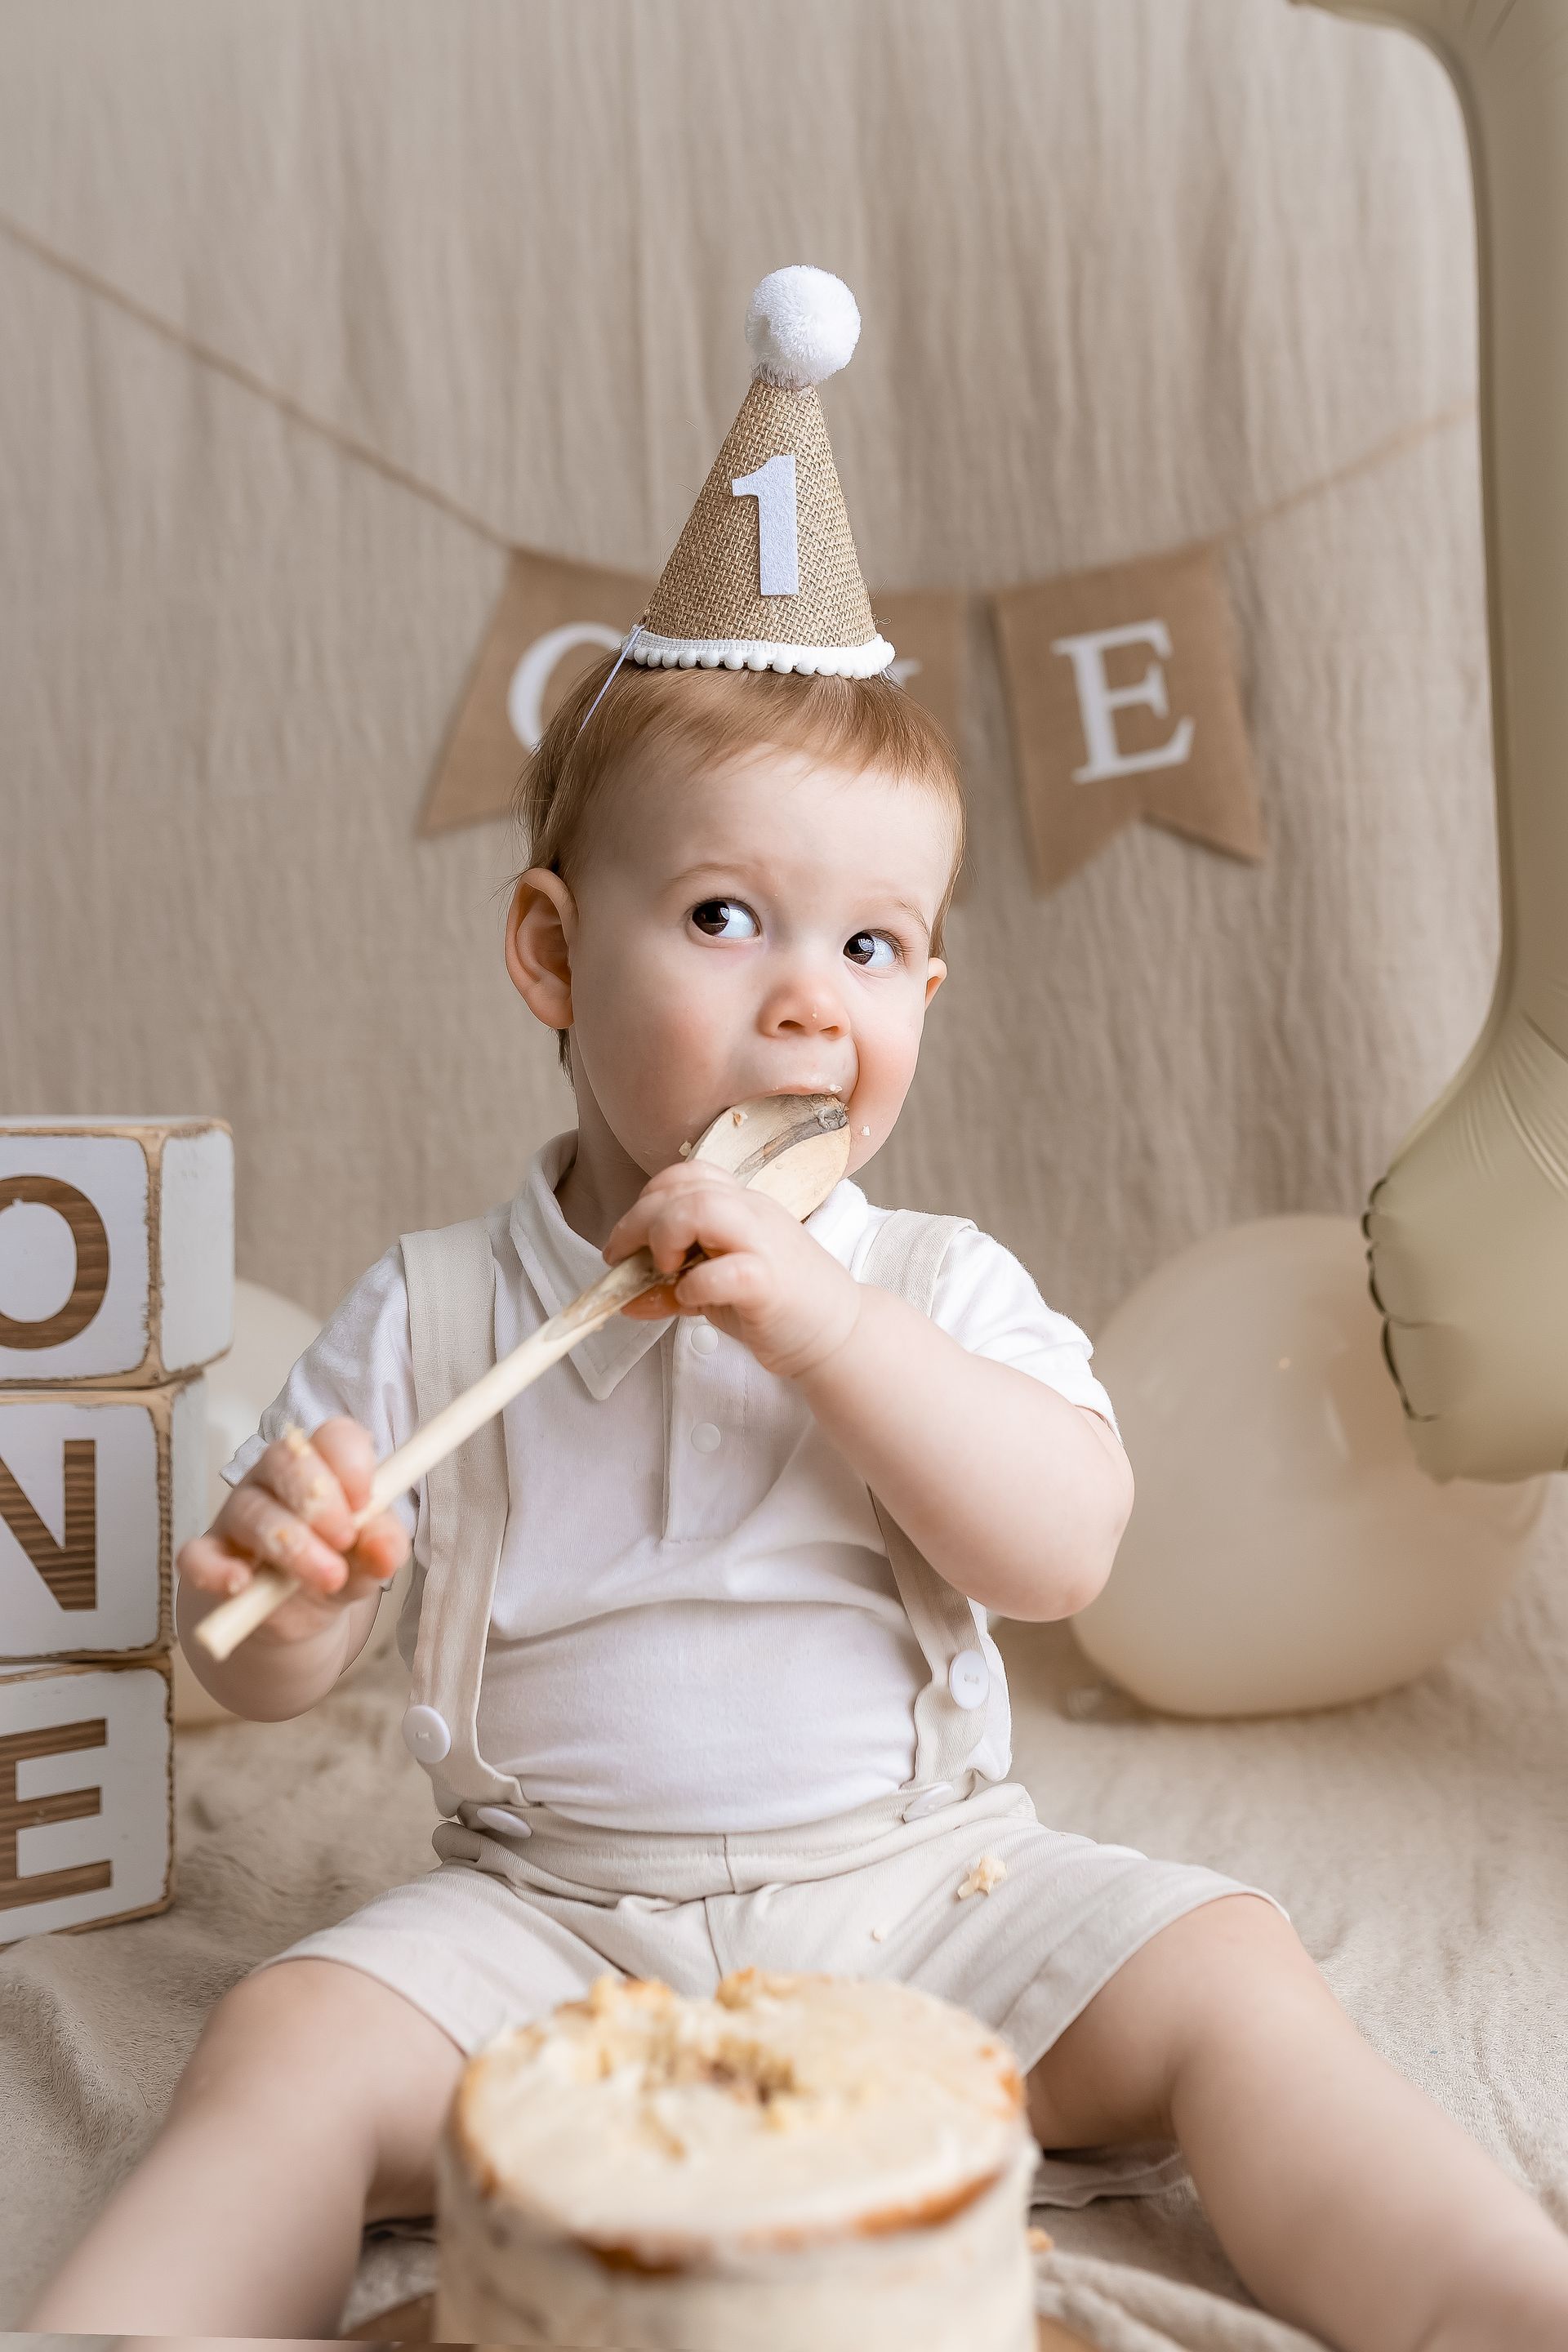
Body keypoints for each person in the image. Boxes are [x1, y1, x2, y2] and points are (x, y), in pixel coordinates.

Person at [26, 271, 1568, 2352]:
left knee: (1234, 1976)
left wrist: (831, 1334)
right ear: (552, 952)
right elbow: (300, 1675)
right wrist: (293, 1588)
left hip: (927, 1901)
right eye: (725, 914)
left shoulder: (933, 1287)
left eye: (869, 945)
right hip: (542, 1925)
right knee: (281, 2046)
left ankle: (1491, 2305)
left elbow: (1064, 1552)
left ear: (923, 991)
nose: (805, 1000)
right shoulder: (438, 1305)